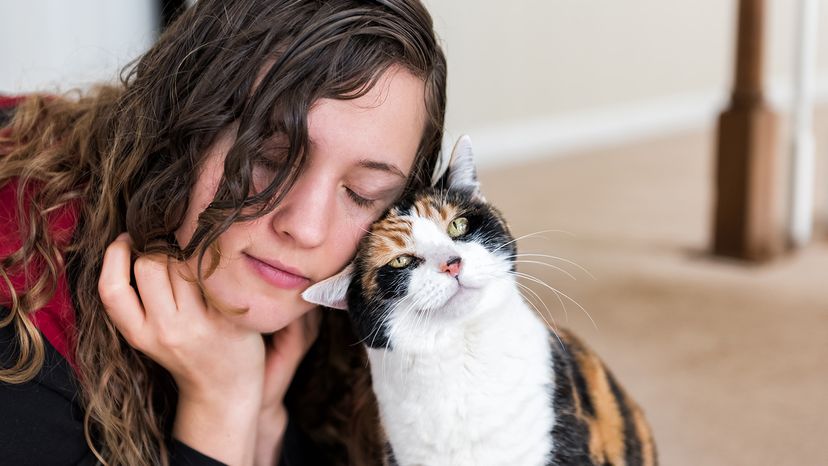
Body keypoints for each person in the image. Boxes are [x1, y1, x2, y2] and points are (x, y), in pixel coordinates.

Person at [0, 0, 446, 465]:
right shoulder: (19, 351)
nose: (307, 228)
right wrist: (222, 406)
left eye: (361, 193)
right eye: (271, 158)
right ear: (181, 125)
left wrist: (265, 423)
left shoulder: (342, 308)